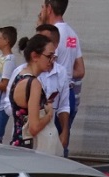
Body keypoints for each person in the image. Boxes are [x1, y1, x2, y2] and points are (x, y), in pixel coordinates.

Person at [38, 0, 83, 154]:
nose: (41, 10)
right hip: (68, 94)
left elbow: (44, 66)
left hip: (53, 95)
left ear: (49, 9)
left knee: (47, 143)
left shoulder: (51, 34)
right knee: (62, 140)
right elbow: (80, 70)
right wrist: (66, 74)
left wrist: (61, 74)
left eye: (43, 7)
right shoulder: (72, 34)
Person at [8, 34, 57, 150]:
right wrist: (49, 114)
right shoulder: (34, 84)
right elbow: (34, 127)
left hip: (17, 144)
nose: (52, 61)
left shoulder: (19, 77)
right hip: (30, 149)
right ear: (35, 56)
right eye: (49, 56)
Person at [32, 23, 70, 155]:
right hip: (27, 140)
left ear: (54, 45)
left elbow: (64, 105)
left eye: (44, 41)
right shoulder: (23, 74)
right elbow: (9, 106)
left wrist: (65, 131)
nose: (38, 44)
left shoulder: (61, 72)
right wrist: (46, 115)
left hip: (48, 139)